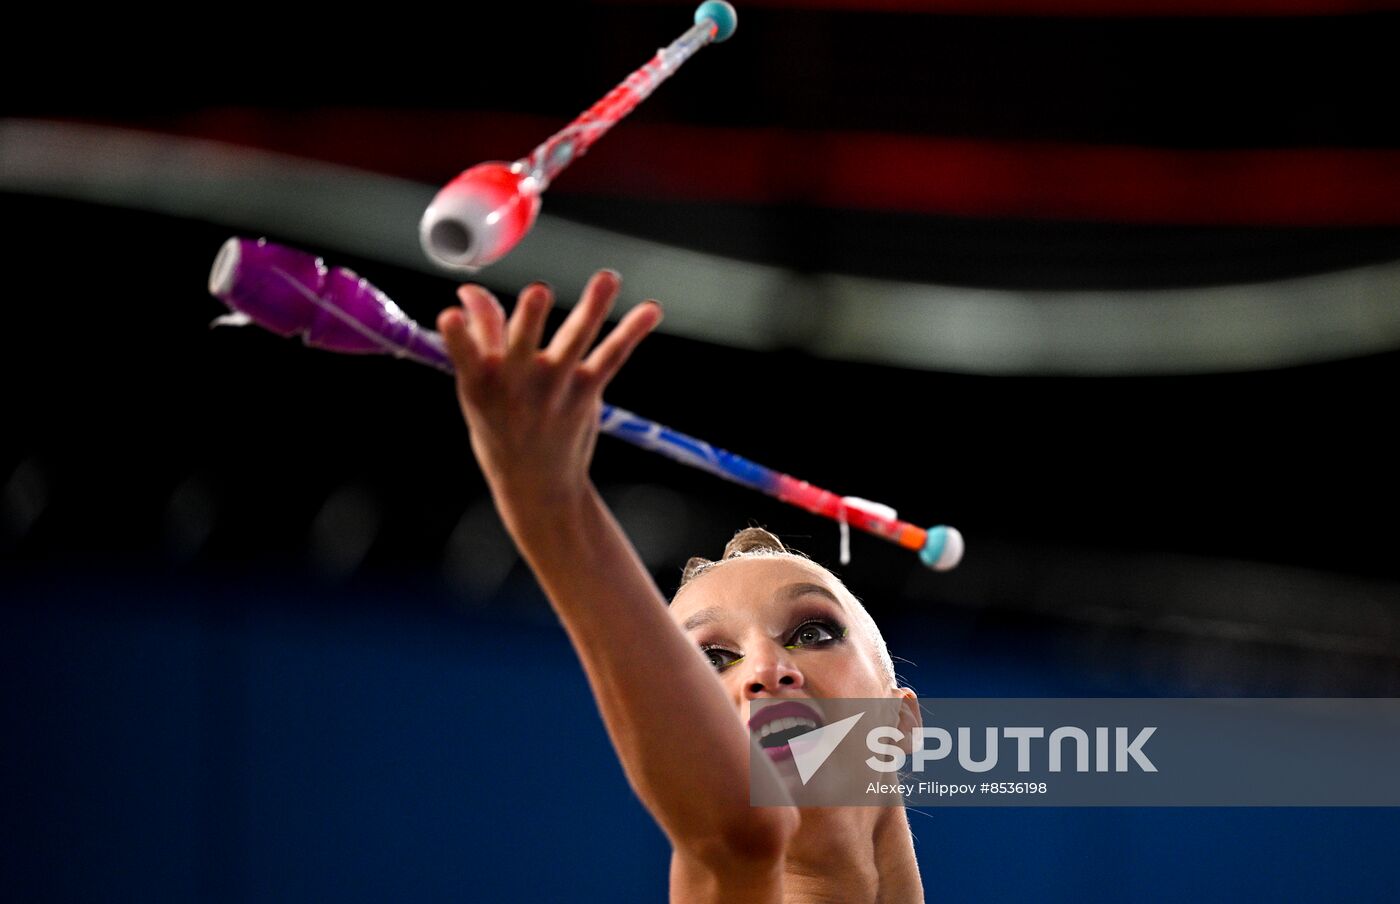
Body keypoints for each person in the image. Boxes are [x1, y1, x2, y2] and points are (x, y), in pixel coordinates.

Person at [437, 270, 924, 903]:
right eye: (711, 660)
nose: (767, 671)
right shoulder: (732, 853)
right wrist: (547, 505)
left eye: (812, 632)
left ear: (901, 724)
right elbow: (737, 834)